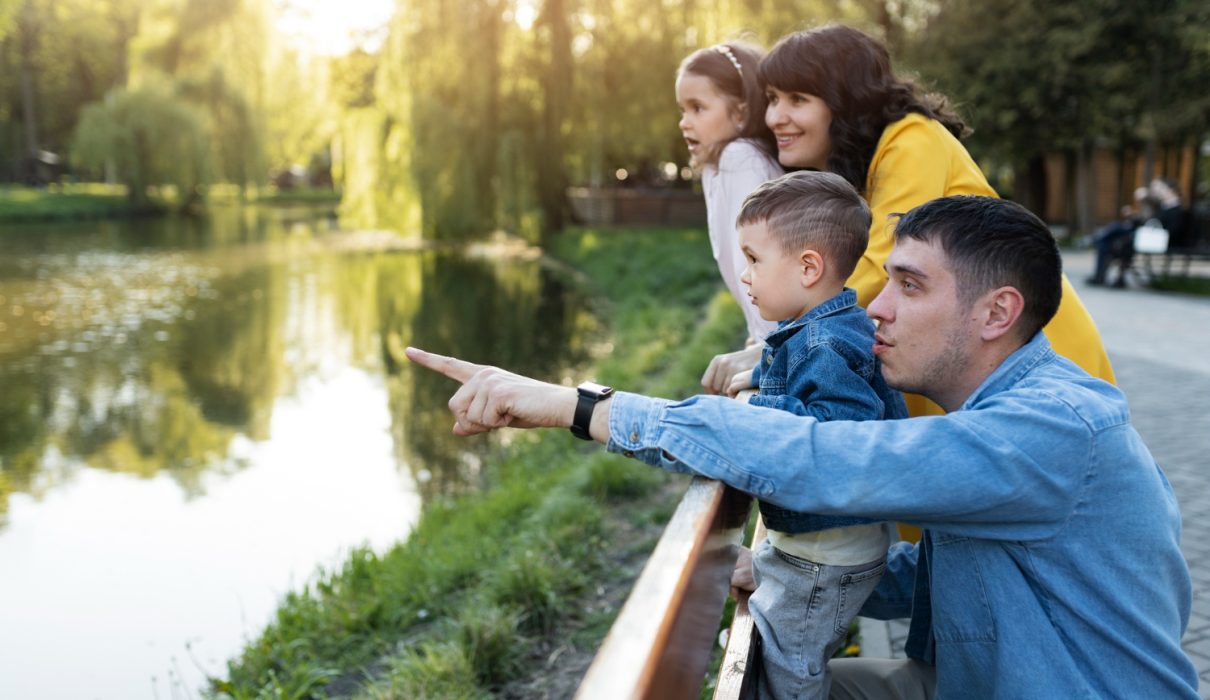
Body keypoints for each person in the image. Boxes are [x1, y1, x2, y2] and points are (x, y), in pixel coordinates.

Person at [405, 195, 1198, 699]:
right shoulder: (1009, 424)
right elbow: (955, 572)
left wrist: (579, 406)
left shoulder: (1056, 428)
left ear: (996, 314)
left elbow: (830, 459)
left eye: (911, 286)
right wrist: (782, 567)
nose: (876, 309)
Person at [703, 23, 1114, 401]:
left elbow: (873, 266)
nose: (776, 117)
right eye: (772, 99)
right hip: (977, 357)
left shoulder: (912, 141)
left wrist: (779, 349)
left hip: (1028, 356)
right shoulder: (858, 168)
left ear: (844, 102)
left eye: (798, 99)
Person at [735, 170, 908, 699]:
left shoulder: (824, 342)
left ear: (809, 266)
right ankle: (769, 570)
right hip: (822, 546)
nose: (745, 276)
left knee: (790, 670)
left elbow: (841, 433)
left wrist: (755, 405)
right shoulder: (830, 326)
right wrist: (758, 377)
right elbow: (804, 384)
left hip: (826, 555)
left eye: (754, 260)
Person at [675, 41, 785, 390]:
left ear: (740, 112)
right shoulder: (717, 165)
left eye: (698, 108)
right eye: (682, 110)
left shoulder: (741, 159)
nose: (684, 122)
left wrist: (769, 348)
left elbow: (760, 264)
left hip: (781, 343)